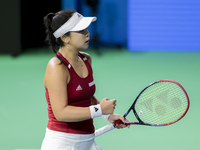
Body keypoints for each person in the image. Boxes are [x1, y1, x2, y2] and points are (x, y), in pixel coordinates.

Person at [41, 10, 129, 150]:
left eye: (86, 29)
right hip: (63, 143)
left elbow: (86, 97)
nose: (87, 33)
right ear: (65, 37)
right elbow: (61, 113)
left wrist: (108, 116)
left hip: (88, 142)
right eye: (81, 31)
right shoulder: (56, 67)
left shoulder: (85, 59)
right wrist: (99, 109)